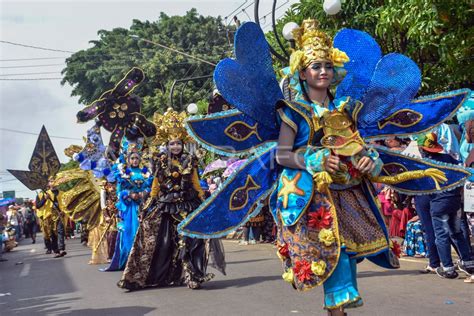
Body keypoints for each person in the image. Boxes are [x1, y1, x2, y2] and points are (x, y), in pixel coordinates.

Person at [274, 20, 397, 315]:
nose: (323, 72)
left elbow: (357, 145)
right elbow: (281, 155)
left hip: (349, 191)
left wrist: (369, 159)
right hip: (314, 195)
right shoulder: (294, 111)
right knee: (335, 250)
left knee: (349, 252)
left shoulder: (346, 107)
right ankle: (337, 308)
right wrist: (313, 160)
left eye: (328, 66)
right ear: (303, 73)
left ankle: (335, 310)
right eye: (316, 66)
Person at [118, 109, 219, 290]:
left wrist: (204, 200)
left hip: (188, 203)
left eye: (178, 143)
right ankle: (152, 276)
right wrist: (149, 203)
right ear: (167, 144)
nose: (175, 147)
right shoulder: (161, 161)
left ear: (183, 143)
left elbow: (195, 182)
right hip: (166, 205)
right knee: (163, 242)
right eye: (172, 143)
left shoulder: (190, 160)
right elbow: (156, 184)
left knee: (191, 240)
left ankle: (192, 276)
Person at [415, 132, 474, 279]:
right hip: (454, 201)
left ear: (422, 149)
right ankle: (468, 262)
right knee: (456, 232)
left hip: (438, 203)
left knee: (441, 235)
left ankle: (448, 268)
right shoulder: (448, 159)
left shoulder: (426, 165)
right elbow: (461, 175)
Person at [104, 139, 152, 271]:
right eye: (132, 158)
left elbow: (151, 187)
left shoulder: (146, 172)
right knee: (130, 233)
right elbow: (120, 192)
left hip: (144, 207)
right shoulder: (122, 173)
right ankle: (129, 261)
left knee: (146, 233)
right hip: (130, 208)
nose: (135, 161)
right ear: (128, 159)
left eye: (137, 158)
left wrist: (144, 193)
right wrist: (130, 194)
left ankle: (144, 261)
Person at [36, 181, 68, 258]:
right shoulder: (42, 194)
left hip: (60, 215)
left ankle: (61, 249)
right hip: (49, 216)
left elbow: (66, 204)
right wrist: (45, 199)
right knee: (52, 234)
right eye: (51, 181)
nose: (54, 182)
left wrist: (63, 211)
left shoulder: (63, 193)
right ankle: (56, 251)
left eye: (55, 180)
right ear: (48, 184)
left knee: (60, 231)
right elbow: (38, 206)